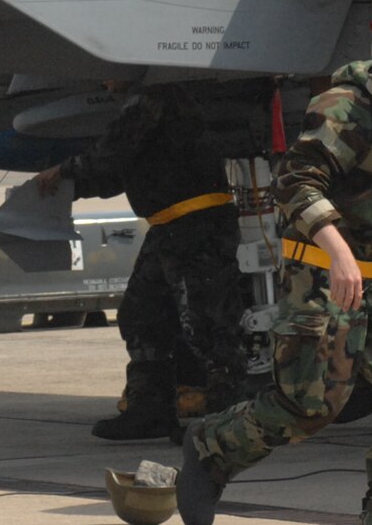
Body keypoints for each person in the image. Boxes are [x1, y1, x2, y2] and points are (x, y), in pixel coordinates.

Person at [178, 7, 372, 525]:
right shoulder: (348, 107)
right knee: (311, 405)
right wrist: (336, 248)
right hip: (322, 276)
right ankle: (211, 449)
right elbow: (296, 182)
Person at [32, 83, 248, 441]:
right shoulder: (154, 101)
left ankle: (226, 418)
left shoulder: (154, 97)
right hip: (169, 226)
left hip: (198, 225)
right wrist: (69, 183)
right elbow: (117, 173)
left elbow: (111, 154)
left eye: (110, 77)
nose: (105, 84)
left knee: (209, 323)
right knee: (141, 314)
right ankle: (150, 409)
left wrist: (66, 169)